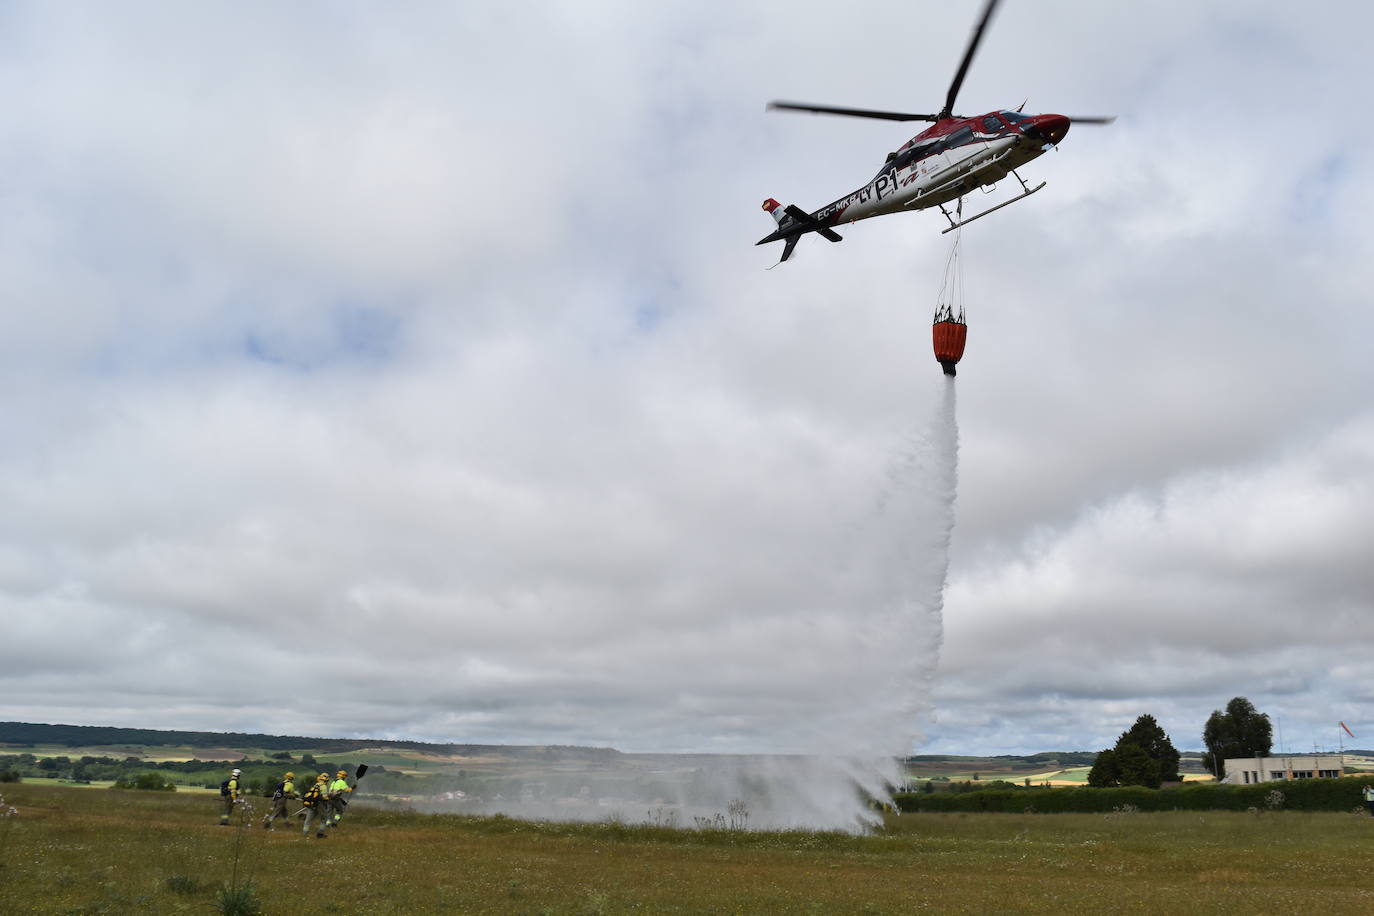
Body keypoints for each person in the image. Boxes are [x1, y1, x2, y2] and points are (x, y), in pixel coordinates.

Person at [301, 773, 330, 838]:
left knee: (308, 820)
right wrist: (328, 798)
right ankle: (320, 833)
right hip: (319, 804)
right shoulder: (324, 786)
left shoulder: (316, 785)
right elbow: (325, 797)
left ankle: (305, 834)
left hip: (312, 804)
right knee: (324, 819)